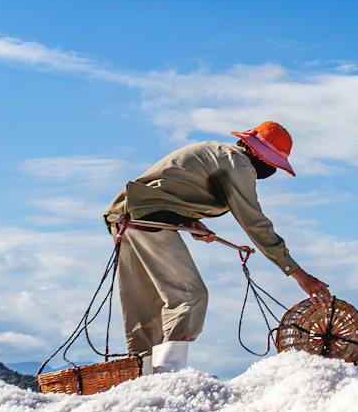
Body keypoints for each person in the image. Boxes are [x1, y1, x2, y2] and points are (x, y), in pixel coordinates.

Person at [104, 121, 329, 373]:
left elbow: (167, 189)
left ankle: (140, 379)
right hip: (144, 220)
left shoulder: (218, 153)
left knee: (147, 307)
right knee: (190, 296)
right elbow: (256, 224)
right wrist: (297, 273)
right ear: (260, 156)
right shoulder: (239, 165)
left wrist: (188, 221)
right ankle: (167, 377)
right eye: (273, 165)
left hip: (125, 215)